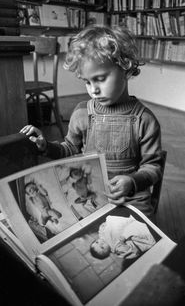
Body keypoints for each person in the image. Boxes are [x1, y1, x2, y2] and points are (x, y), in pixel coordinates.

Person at [20, 24, 162, 220]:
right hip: (90, 191)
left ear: (126, 68)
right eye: (87, 81)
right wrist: (46, 147)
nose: (93, 90)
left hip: (131, 197)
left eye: (100, 79)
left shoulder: (145, 120)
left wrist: (132, 181)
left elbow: (153, 168)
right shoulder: (81, 113)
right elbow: (68, 149)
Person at [90, 215, 156, 260]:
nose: (101, 243)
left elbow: (103, 227)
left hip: (123, 223)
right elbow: (133, 252)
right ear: (108, 253)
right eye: (102, 247)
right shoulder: (116, 248)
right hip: (130, 231)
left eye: (97, 242)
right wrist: (123, 244)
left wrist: (104, 225)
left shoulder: (102, 234)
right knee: (135, 230)